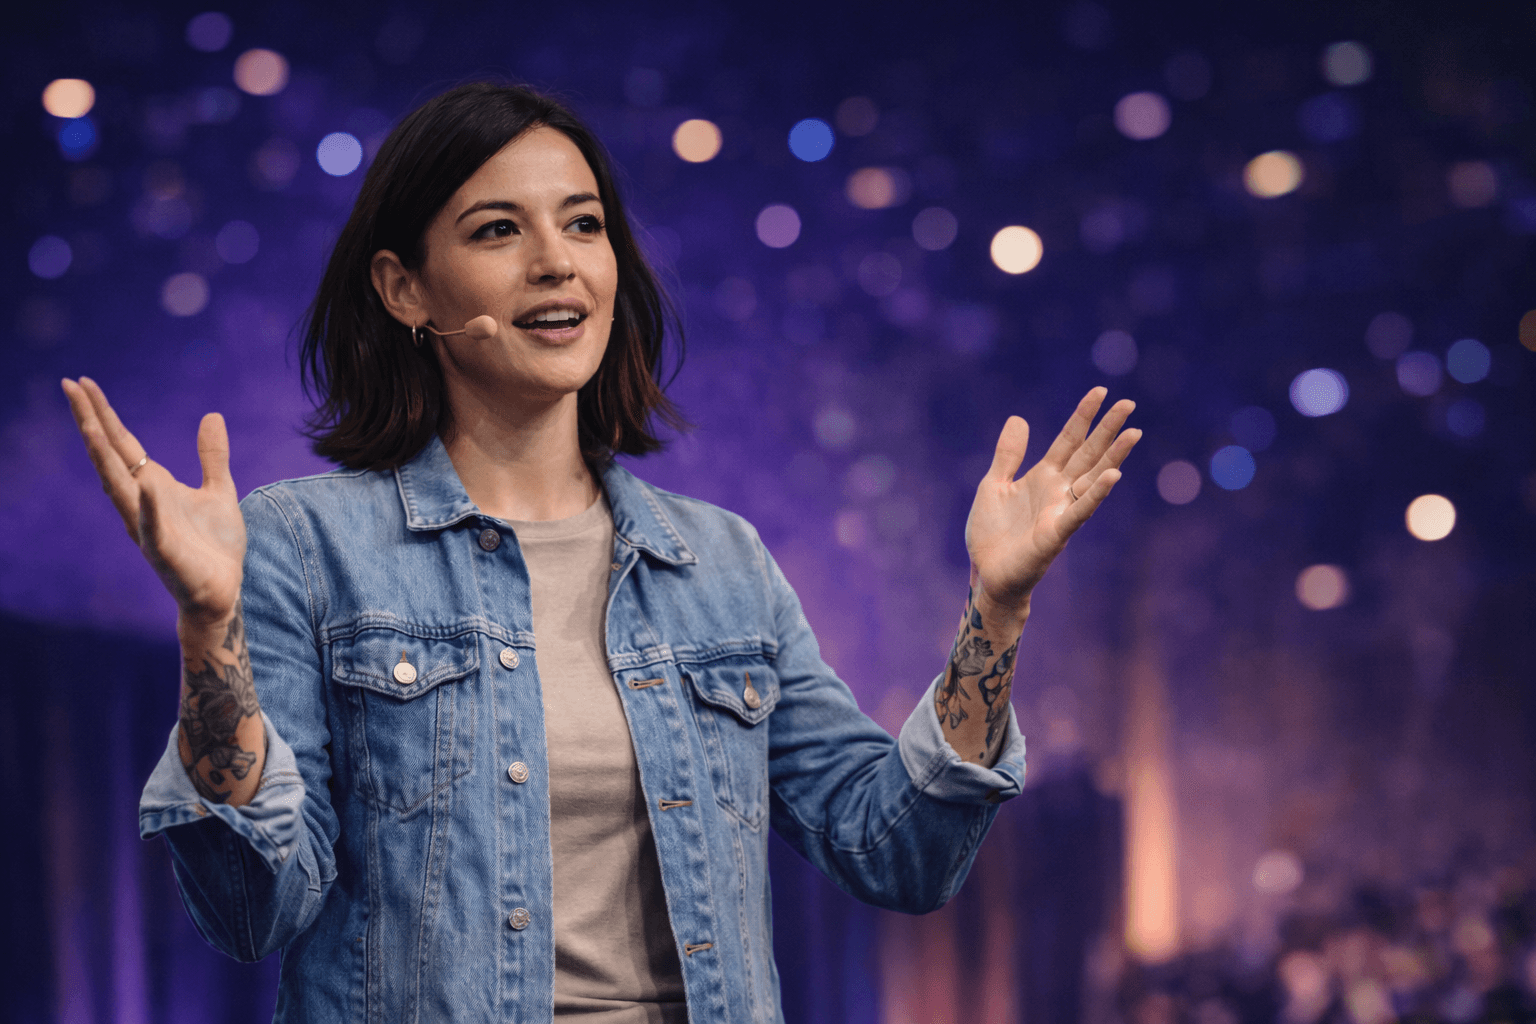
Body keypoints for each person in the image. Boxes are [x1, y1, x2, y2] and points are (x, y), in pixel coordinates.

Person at [62, 82, 1139, 1023]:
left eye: (582, 224)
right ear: (404, 290)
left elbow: (895, 850)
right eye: (495, 231)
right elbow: (255, 909)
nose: (555, 262)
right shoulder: (306, 542)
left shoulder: (721, 562)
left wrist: (996, 608)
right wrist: (210, 629)